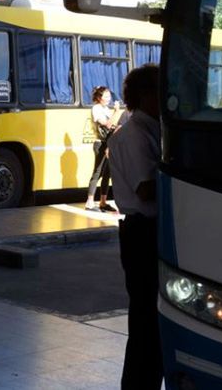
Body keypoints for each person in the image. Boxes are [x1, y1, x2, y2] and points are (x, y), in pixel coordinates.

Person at [108, 65, 163, 389]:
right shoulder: (135, 134)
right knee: (145, 319)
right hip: (142, 232)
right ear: (145, 95)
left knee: (152, 320)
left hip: (149, 229)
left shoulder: (150, 128)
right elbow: (145, 188)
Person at [85, 85, 122, 213]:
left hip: (108, 143)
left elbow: (112, 126)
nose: (108, 98)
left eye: (109, 96)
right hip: (100, 144)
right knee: (98, 172)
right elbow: (106, 124)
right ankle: (90, 202)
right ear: (99, 97)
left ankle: (103, 202)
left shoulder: (106, 109)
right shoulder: (96, 108)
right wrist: (116, 112)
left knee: (107, 173)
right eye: (106, 96)